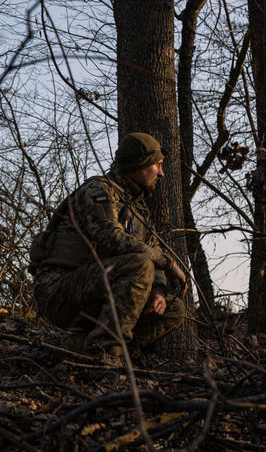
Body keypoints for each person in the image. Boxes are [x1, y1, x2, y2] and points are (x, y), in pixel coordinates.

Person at [29, 132, 187, 363]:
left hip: (97, 294)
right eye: (158, 165)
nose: (161, 173)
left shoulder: (139, 209)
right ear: (139, 165)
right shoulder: (99, 191)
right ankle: (104, 354)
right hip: (59, 291)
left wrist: (158, 291)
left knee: (174, 309)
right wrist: (169, 263)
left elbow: (151, 251)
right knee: (139, 265)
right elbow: (111, 238)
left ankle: (84, 346)